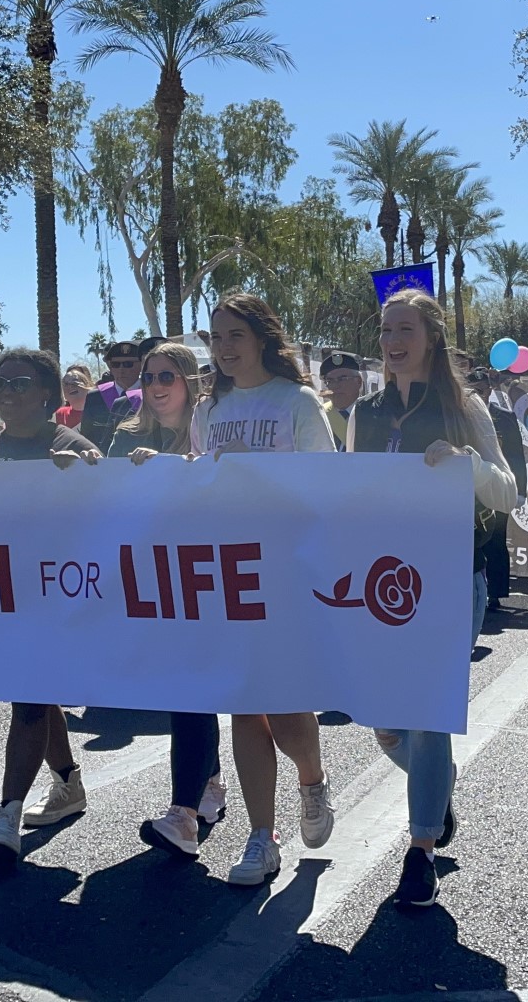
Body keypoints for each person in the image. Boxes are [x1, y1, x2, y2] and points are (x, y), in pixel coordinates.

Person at [342, 289, 516, 905]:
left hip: (446, 580)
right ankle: (436, 797)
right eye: (386, 329)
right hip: (377, 586)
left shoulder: (463, 407)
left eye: (405, 328)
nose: (392, 340)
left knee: (426, 712)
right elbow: (346, 488)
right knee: (386, 725)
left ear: (432, 337)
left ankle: (419, 851)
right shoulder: (363, 412)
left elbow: (507, 494)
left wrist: (467, 464)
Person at [192, 293, 338, 886]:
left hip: (285, 572)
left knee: (286, 709)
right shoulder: (208, 410)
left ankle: (312, 779)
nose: (224, 348)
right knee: (243, 707)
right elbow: (200, 486)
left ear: (261, 339)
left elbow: (328, 485)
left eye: (234, 336)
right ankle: (261, 836)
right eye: (216, 337)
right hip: (228, 573)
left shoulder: (297, 401)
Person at [0, 348, 99, 861]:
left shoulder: (74, 448)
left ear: (46, 393)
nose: (6, 393)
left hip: (54, 602)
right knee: (37, 698)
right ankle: (68, 781)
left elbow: (101, 525)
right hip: (1, 601)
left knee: (28, 699)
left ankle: (8, 812)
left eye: (19, 384)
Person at [105, 343, 231, 858]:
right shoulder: (125, 434)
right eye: (149, 375)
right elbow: (107, 497)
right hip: (147, 578)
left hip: (204, 574)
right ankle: (211, 784)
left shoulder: (210, 430)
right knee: (184, 687)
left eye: (169, 376)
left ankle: (182, 816)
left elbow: (220, 484)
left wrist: (176, 466)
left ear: (191, 382)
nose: (157, 385)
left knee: (189, 689)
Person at [470, 368, 528, 612]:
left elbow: (515, 454)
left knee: (496, 538)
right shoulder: (458, 416)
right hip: (469, 487)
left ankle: (496, 592)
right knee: (474, 541)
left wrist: (520, 490)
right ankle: (473, 588)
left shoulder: (503, 417)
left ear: (490, 390)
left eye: (481, 391)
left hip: (497, 483)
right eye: (471, 391)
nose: (477, 396)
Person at [77, 340, 143, 449]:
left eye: (128, 364)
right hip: (103, 461)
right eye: (115, 364)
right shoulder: (95, 397)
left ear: (141, 364)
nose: (121, 369)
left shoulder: (149, 394)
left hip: (141, 460)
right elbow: (87, 437)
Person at [319, 351, 366, 449]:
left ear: (358, 381)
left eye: (342, 379)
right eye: (330, 381)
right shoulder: (319, 415)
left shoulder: (372, 414)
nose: (335, 386)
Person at [55, 364, 93, 430]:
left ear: (87, 386)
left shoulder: (100, 410)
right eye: (66, 384)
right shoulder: (60, 414)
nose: (70, 387)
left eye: (75, 383)